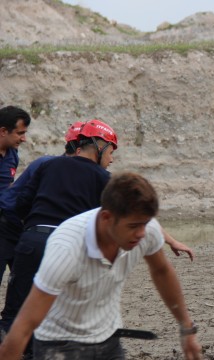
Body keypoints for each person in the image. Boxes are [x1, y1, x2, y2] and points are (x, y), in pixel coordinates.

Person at [0, 172, 202, 360]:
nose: (142, 233)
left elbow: (162, 271)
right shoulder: (67, 247)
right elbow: (25, 325)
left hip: (109, 339)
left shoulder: (147, 230)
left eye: (145, 223)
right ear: (107, 217)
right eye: (133, 226)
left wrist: (186, 327)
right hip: (59, 345)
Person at [0, 121, 81, 290]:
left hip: (26, 233)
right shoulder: (47, 165)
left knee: (28, 289)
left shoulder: (83, 174)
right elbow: (14, 201)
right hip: (9, 228)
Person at [0, 106, 31, 286]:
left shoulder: (12, 153)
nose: (24, 138)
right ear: (4, 131)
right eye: (20, 133)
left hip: (9, 222)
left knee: (22, 276)